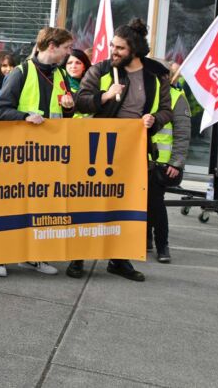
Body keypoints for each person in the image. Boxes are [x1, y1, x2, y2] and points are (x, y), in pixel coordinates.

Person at [73, 19, 172, 281]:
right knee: (91, 200)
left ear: (134, 50)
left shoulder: (156, 74)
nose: (113, 51)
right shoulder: (101, 70)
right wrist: (104, 96)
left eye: (119, 48)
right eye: (112, 46)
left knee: (126, 204)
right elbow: (80, 102)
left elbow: (166, 110)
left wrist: (155, 120)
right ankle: (78, 256)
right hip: (99, 146)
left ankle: (119, 260)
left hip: (134, 149)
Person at [0, 27, 76, 278]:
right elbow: (0, 111)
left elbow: (63, 112)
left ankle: (34, 256)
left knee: (42, 206)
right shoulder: (21, 72)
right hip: (20, 152)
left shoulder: (60, 73)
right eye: (66, 48)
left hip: (50, 153)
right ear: (52, 46)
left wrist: (70, 107)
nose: (69, 53)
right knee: (11, 206)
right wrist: (25, 116)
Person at [147, 68, 191, 263]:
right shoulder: (144, 94)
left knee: (156, 204)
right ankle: (145, 239)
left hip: (162, 164)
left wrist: (176, 162)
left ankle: (162, 245)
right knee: (142, 203)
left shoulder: (176, 97)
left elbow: (183, 134)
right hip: (141, 160)